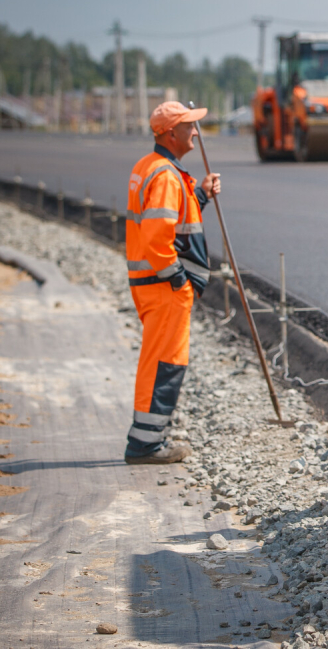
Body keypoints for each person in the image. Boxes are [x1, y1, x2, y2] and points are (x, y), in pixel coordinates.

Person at [123, 102, 221, 464]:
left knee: (157, 360)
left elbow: (174, 220)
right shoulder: (164, 175)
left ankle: (147, 438)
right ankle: (146, 445)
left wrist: (201, 195)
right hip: (164, 287)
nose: (195, 132)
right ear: (170, 133)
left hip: (151, 284)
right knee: (166, 362)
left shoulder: (150, 168)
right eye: (189, 126)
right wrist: (177, 280)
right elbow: (157, 237)